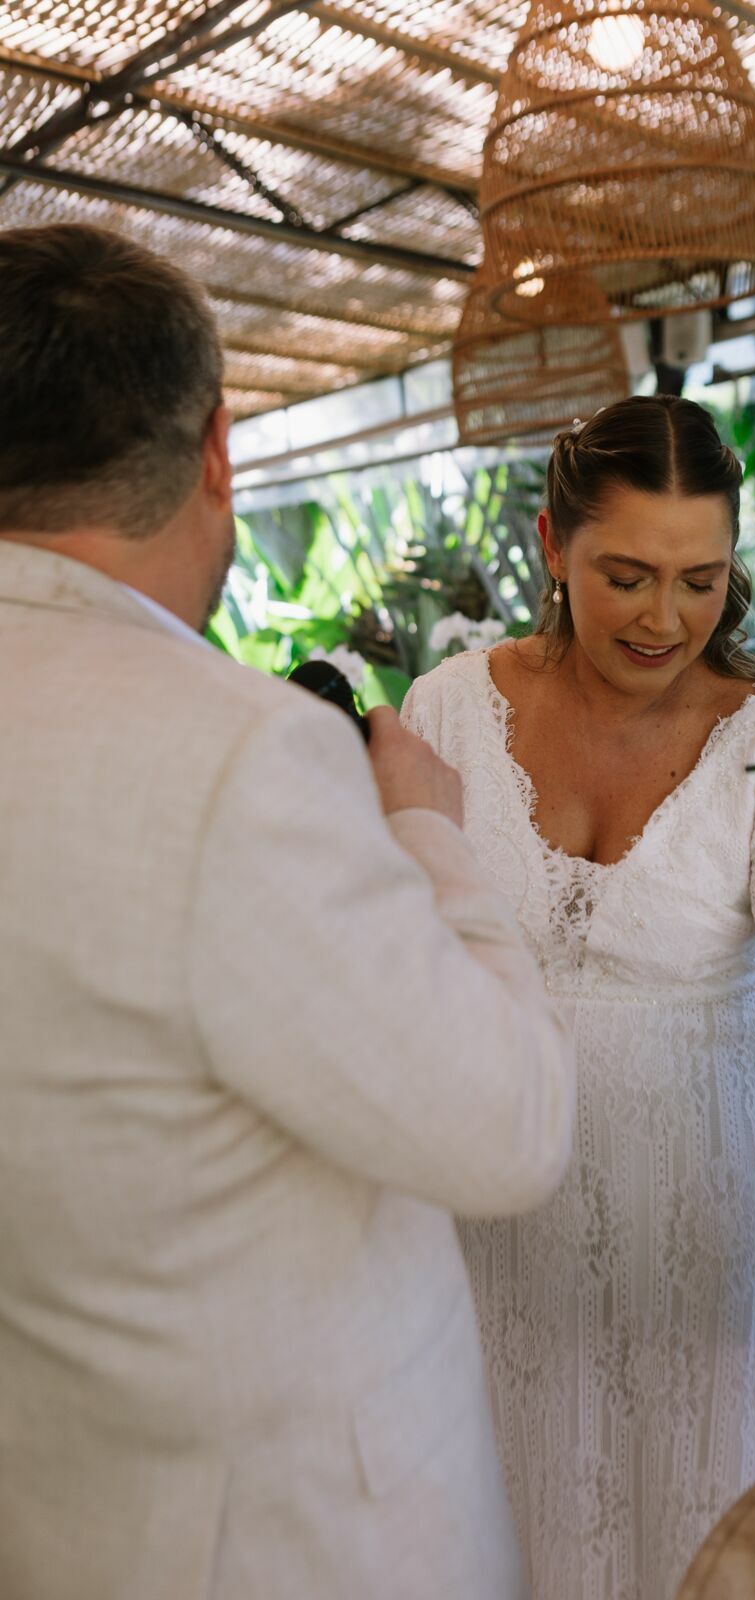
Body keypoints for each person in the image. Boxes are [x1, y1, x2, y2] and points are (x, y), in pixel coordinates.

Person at [0, 224, 576, 1600]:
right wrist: (427, 829)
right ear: (215, 453)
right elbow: (506, 1131)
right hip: (287, 1537)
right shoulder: (236, 753)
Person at [402, 396, 755, 1600]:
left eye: (700, 579)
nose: (665, 619)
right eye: (626, 575)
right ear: (551, 543)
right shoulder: (444, 710)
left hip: (698, 1263)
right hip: (493, 1258)